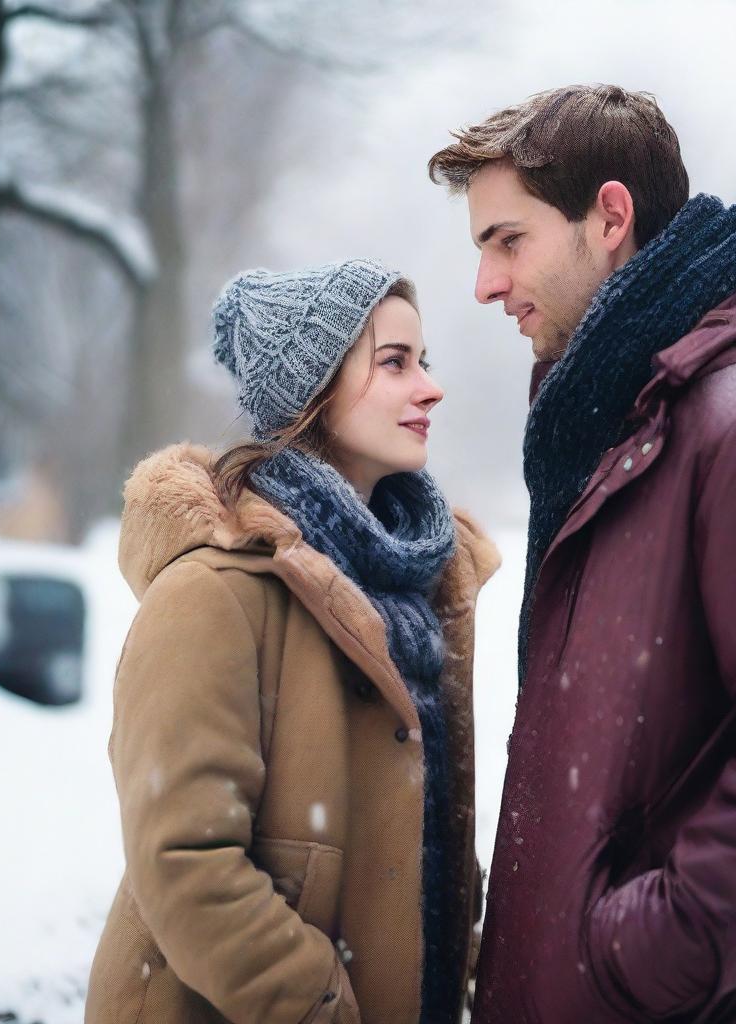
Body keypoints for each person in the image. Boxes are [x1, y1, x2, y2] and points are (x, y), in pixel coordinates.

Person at [428, 85, 736, 1022]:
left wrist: (634, 957)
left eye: (507, 240)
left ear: (610, 217)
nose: (485, 284)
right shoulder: (605, 432)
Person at [86, 258, 499, 1024]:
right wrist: (320, 1006)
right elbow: (184, 863)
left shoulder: (415, 594)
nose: (430, 387)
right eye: (395, 362)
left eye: (426, 362)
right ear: (312, 392)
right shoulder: (214, 594)